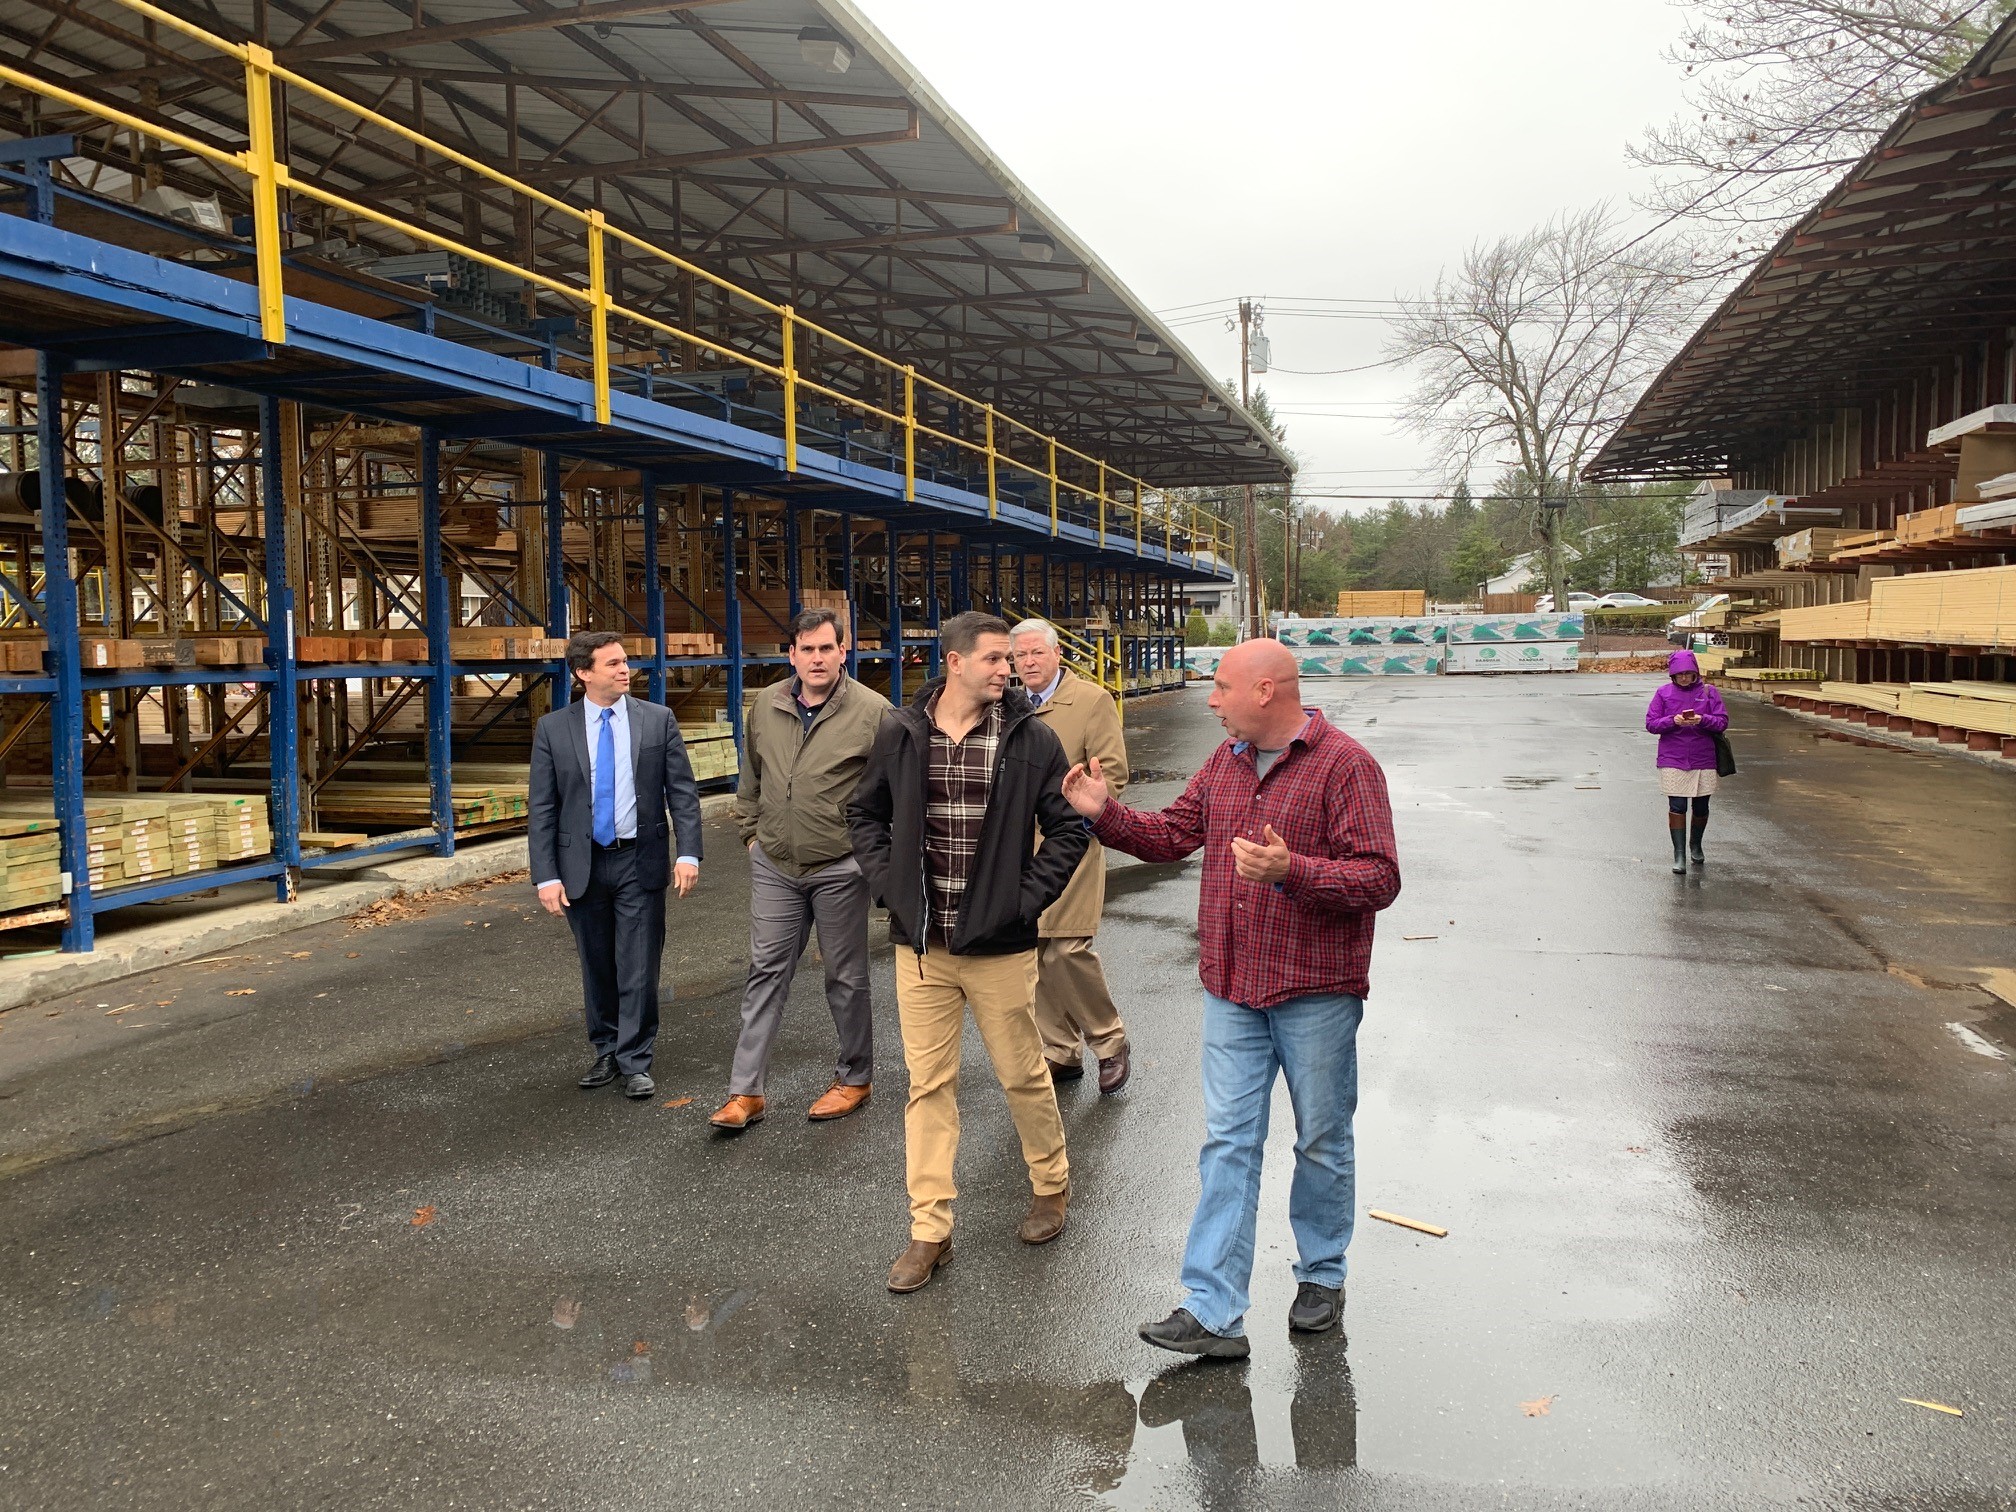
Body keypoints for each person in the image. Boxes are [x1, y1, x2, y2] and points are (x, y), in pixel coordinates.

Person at [1060, 638, 1400, 1357]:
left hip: (1315, 992)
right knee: (1228, 1143)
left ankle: (1321, 1274)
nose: (1210, 700)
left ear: (1267, 690)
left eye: (1220, 687)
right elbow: (1174, 834)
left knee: (1321, 1140)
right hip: (1233, 989)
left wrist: (1292, 871)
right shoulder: (1226, 763)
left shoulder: (1346, 767)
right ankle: (1213, 1311)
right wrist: (1103, 811)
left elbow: (1378, 879)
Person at [847, 610, 1089, 1294]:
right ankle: (930, 1231)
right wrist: (892, 885)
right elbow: (863, 814)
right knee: (928, 1088)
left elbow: (1068, 830)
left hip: (1001, 947)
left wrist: (1023, 900)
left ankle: (1051, 1187)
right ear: (953, 661)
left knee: (1021, 1074)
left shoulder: (1031, 739)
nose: (1005, 669)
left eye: (1008, 660)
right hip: (922, 947)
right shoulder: (901, 731)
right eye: (992, 659)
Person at [710, 608, 892, 1131]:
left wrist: (869, 856)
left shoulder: (872, 711)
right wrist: (750, 833)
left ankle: (855, 1077)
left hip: (840, 866)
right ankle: (746, 1092)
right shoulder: (766, 703)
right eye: (806, 649)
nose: (816, 658)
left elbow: (893, 793)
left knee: (846, 978)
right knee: (765, 971)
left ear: (843, 651)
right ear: (792, 654)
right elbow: (753, 773)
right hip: (775, 864)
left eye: (826, 648)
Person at [529, 631, 703, 1100]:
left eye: (626, 662)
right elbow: (543, 807)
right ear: (584, 673)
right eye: (613, 664)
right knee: (597, 963)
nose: (625, 670)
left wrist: (688, 852)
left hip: (638, 859)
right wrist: (546, 874)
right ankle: (606, 1047)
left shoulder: (657, 720)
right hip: (581, 865)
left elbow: (682, 793)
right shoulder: (553, 729)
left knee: (639, 961)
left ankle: (635, 1058)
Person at [1009, 618, 1132, 1094]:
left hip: (1071, 843)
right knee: (1032, 949)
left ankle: (1109, 1039)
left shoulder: (1091, 701)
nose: (1029, 662)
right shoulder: (1011, 705)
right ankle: (1059, 1050)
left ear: (1058, 653)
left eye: (1038, 653)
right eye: (1021, 656)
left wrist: (1078, 821)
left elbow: (1114, 773)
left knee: (1065, 948)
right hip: (1019, 848)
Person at [1645, 648, 1728, 873]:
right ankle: (1679, 854)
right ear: (1672, 675)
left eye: (1688, 674)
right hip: (1673, 757)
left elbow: (1722, 722)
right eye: (1679, 674)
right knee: (1678, 806)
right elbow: (1651, 724)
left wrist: (1703, 720)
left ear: (1695, 674)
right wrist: (1673, 721)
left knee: (1701, 806)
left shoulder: (1710, 693)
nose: (1684, 678)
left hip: (1703, 757)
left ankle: (1696, 845)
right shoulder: (1663, 694)